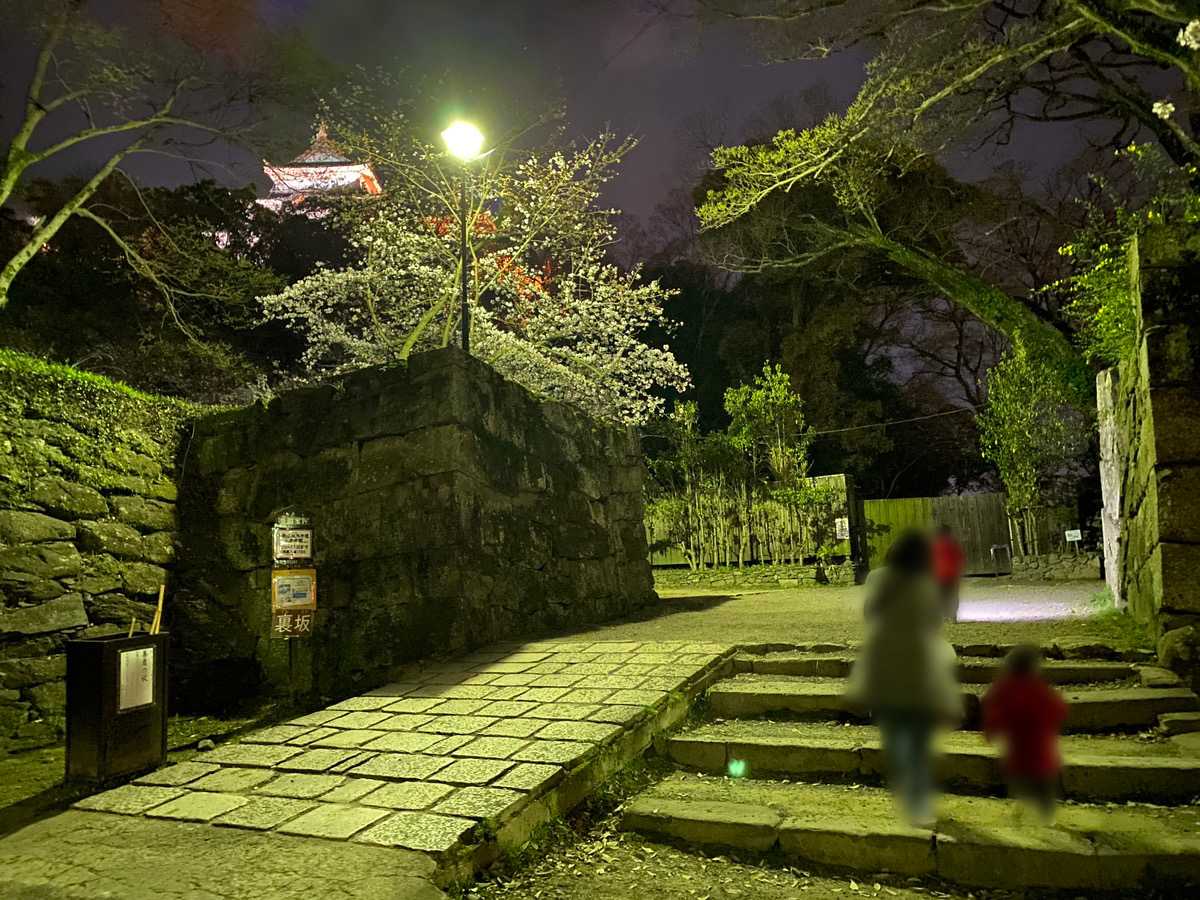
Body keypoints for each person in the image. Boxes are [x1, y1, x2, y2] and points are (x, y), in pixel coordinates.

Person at [849, 530, 963, 826]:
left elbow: (870, 614)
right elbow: (932, 623)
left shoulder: (875, 577)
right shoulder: (925, 583)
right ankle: (918, 802)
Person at [983, 644, 1069, 823]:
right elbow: (1057, 709)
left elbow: (994, 714)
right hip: (1039, 746)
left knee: (1019, 779)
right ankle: (1047, 813)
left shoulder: (1004, 688)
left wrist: (990, 733)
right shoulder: (1038, 688)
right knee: (1044, 782)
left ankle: (1019, 804)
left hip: (1018, 747)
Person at [930, 523, 966, 623]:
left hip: (939, 575)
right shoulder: (954, 544)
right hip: (952, 574)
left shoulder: (934, 545)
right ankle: (953, 615)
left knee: (941, 596)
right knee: (953, 595)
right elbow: (961, 558)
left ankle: (945, 615)